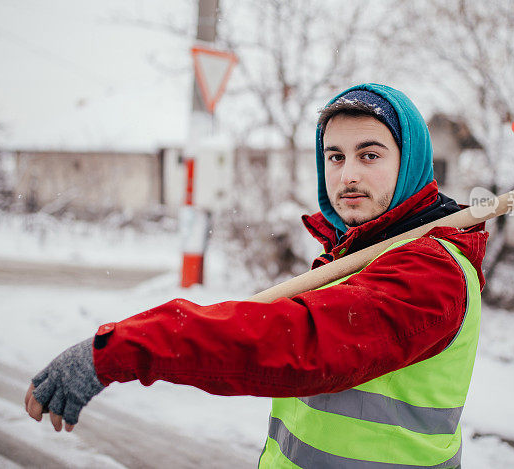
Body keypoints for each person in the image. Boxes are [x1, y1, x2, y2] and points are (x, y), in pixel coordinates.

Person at [25, 83, 487, 468]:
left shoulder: (429, 272)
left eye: (369, 156)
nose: (347, 174)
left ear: (410, 162)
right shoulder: (361, 254)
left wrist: (127, 347)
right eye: (334, 156)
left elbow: (294, 342)